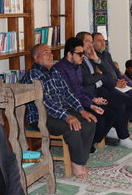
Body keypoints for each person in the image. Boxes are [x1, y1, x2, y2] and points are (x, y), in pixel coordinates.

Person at [21, 44, 96, 178]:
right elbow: (44, 102)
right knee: (72, 128)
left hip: (60, 112)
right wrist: (67, 117)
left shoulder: (55, 71)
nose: (50, 55)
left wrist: (81, 110)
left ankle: (80, 160)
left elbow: (67, 93)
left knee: (89, 121)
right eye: (45, 52)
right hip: (41, 117)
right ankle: (77, 164)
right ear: (36, 58)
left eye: (51, 52)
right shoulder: (33, 75)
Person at [54, 37, 120, 152]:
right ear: (69, 54)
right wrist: (90, 104)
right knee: (98, 119)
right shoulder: (60, 69)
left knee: (111, 114)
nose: (83, 56)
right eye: (80, 54)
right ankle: (86, 145)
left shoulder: (77, 66)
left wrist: (93, 99)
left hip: (81, 101)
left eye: (83, 54)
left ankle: (90, 143)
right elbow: (70, 94)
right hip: (69, 105)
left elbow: (80, 88)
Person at [79, 32, 132, 148]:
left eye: (91, 41)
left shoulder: (94, 55)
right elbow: (87, 80)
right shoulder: (79, 58)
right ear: (80, 43)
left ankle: (118, 128)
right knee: (120, 104)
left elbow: (109, 71)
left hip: (103, 88)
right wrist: (103, 77)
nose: (91, 44)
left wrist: (97, 60)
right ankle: (123, 136)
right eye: (88, 41)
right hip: (95, 92)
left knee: (131, 98)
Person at [88, 32, 132, 123]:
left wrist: (122, 79)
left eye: (104, 40)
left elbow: (115, 69)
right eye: (99, 41)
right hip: (106, 87)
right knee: (129, 99)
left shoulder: (107, 54)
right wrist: (115, 84)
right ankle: (120, 124)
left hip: (116, 83)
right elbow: (100, 76)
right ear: (92, 44)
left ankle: (124, 121)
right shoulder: (92, 57)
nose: (103, 43)